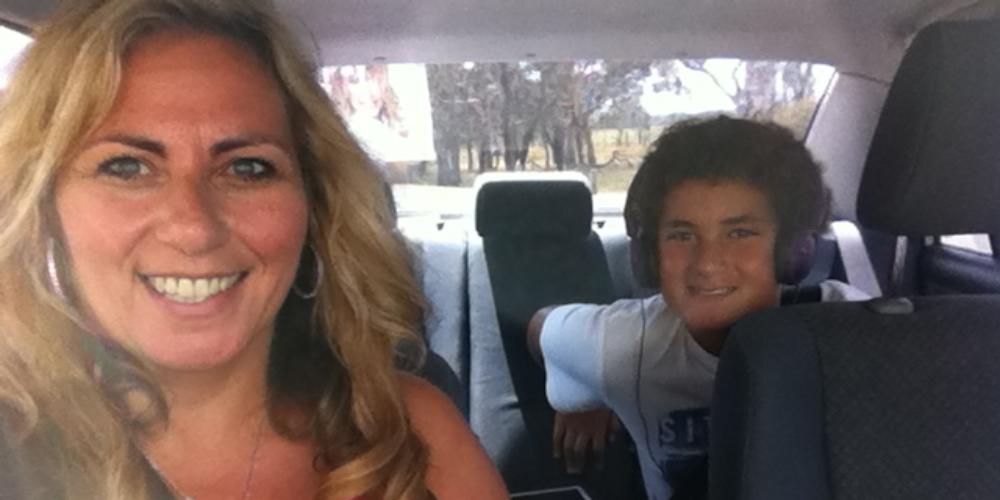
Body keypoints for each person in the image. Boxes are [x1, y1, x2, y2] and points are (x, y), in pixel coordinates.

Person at [0, 1, 507, 499]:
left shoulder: (411, 433)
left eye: (247, 168)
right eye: (127, 167)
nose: (194, 228)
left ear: (316, 207)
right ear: (40, 207)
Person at [526, 116, 869, 500]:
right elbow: (539, 327)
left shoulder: (859, 334)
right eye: (682, 235)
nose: (707, 263)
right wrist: (588, 394)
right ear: (650, 256)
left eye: (740, 233)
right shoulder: (623, 347)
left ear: (793, 250)